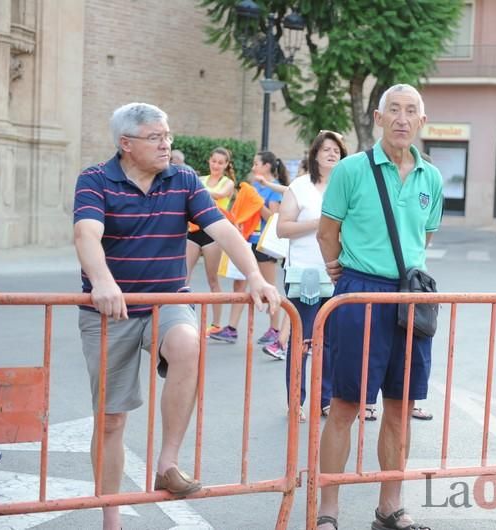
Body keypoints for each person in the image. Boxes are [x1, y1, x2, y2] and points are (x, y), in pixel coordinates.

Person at [73, 102, 279, 530]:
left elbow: (222, 229)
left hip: (166, 300)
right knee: (111, 419)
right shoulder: (94, 180)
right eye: (155, 137)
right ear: (125, 144)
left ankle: (168, 462)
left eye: (168, 136)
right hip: (110, 310)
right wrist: (103, 281)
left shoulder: (182, 179)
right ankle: (111, 516)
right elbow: (86, 233)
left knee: (188, 342)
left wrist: (256, 277)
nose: (166, 144)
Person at [315, 84, 443, 530]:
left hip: (409, 299)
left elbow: (423, 238)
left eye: (412, 111)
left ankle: (391, 507)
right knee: (345, 406)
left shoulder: (432, 177)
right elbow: (327, 230)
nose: (403, 118)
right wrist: (339, 270)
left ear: (422, 121)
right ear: (378, 117)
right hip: (360, 294)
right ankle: (327, 512)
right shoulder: (352, 169)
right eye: (395, 110)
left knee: (399, 408)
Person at [277, 130, 348, 422]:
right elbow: (283, 228)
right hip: (304, 272)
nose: (332, 154)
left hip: (336, 271)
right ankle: (296, 400)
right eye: (326, 149)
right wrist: (320, 223)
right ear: (315, 154)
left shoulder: (346, 187)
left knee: (332, 340)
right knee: (302, 338)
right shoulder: (300, 187)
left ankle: (326, 399)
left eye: (337, 150)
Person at [210, 151, 289, 356]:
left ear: (267, 166)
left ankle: (275, 328)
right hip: (246, 240)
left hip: (264, 243)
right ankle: (232, 328)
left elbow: (273, 217)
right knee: (241, 283)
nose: (253, 167)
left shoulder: (275, 189)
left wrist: (257, 202)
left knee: (268, 286)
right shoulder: (253, 187)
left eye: (256, 164)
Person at [185, 147, 236, 335]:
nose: (216, 165)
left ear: (226, 165)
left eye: (220, 162)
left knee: (212, 279)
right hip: (194, 230)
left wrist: (196, 187)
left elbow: (219, 195)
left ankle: (215, 323)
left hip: (213, 233)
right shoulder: (200, 180)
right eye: (214, 161)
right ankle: (182, 317)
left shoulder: (227, 183)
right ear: (209, 161)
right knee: (184, 276)